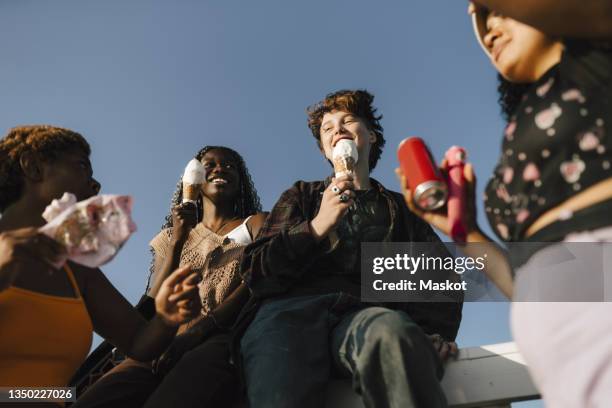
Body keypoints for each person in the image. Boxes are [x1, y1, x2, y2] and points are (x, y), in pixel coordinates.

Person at [397, 2, 612, 406]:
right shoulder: (523, 124)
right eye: (481, 21)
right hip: (567, 360)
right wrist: (465, 233)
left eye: (497, 12)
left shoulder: (598, 60)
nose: (488, 31)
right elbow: (527, 283)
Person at [238, 90, 463, 408]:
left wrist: (431, 332)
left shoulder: (403, 210)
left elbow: (439, 280)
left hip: (366, 313)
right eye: (327, 128)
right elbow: (257, 272)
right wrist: (316, 227)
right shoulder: (301, 196)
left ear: (371, 136)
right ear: (325, 152)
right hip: (289, 316)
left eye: (347, 121)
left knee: (394, 334)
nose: (337, 129)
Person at [0, 125, 200, 392]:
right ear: (33, 167)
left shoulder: (78, 271)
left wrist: (166, 318)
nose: (96, 185)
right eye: (81, 166)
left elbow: (139, 342)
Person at [73, 146, 267, 408]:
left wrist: (200, 330)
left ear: (240, 180)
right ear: (194, 179)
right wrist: (178, 240)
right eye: (209, 165)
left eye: (230, 166)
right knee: (100, 397)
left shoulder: (255, 224)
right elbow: (155, 297)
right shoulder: (170, 236)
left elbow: (258, 278)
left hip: (221, 336)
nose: (220, 169)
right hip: (162, 339)